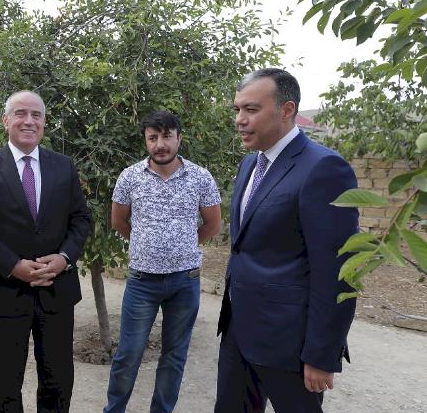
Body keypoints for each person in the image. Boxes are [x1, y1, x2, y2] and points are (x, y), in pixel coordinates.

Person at [214, 68, 358, 413]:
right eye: (237, 109)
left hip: (289, 344)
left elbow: (337, 270)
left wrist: (322, 354)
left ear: (286, 110)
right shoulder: (249, 165)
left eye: (251, 109)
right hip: (238, 331)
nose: (240, 119)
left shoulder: (324, 169)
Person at [0, 90, 91, 413]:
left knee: (57, 381)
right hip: (4, 291)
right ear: (6, 120)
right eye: (21, 113)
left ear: (44, 123)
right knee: (6, 383)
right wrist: (13, 265)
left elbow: (80, 219)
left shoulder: (63, 166)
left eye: (36, 115)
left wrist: (64, 259)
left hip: (56, 290)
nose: (29, 121)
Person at [104, 111, 222, 413]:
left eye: (167, 136)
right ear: (145, 141)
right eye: (153, 137)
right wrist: (145, 243)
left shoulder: (200, 177)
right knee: (128, 354)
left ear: (179, 138)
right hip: (142, 282)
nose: (160, 144)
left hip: (185, 282)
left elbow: (213, 224)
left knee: (174, 356)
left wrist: (185, 244)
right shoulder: (130, 176)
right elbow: (119, 222)